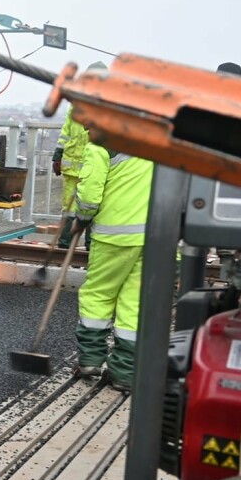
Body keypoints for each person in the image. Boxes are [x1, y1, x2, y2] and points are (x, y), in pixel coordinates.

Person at [73, 142, 155, 390]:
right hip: (156, 236)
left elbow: (89, 196)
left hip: (114, 235)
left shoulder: (104, 141)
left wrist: (81, 219)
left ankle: (89, 361)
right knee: (135, 302)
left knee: (98, 294)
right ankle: (124, 373)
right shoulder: (162, 138)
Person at [50, 61, 106, 250]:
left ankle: (92, 244)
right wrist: (57, 155)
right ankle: (65, 243)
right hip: (73, 164)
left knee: (93, 205)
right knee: (70, 207)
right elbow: (66, 131)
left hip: (96, 166)